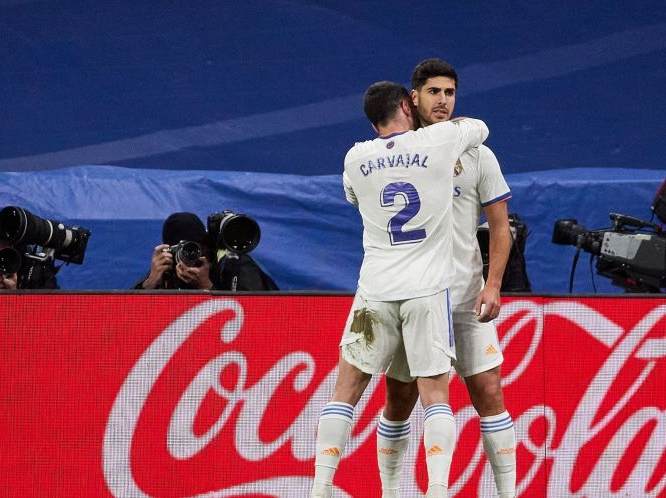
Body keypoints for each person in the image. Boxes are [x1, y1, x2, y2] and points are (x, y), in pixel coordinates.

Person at [311, 81, 488, 498]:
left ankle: (321, 485)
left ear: (373, 121)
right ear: (409, 106)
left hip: (375, 290)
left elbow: (354, 197)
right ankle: (438, 489)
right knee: (434, 395)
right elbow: (479, 128)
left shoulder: (355, 156)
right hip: (427, 289)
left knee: (346, 390)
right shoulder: (439, 141)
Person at [374, 59, 518, 498]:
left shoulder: (478, 154)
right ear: (412, 97)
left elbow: (499, 226)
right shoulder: (394, 154)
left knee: (489, 394)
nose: (443, 100)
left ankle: (507, 494)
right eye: (433, 91)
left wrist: (493, 284)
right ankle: (391, 492)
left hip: (466, 298)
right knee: (399, 401)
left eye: (449, 93)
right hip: (413, 299)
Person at [135, 211, 278, 290]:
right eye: (183, 250)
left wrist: (206, 286)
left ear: (208, 248)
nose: (191, 256)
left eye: (197, 248)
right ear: (170, 251)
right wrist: (150, 283)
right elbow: (128, 320)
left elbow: (253, 316)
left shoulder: (232, 266)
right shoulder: (166, 270)